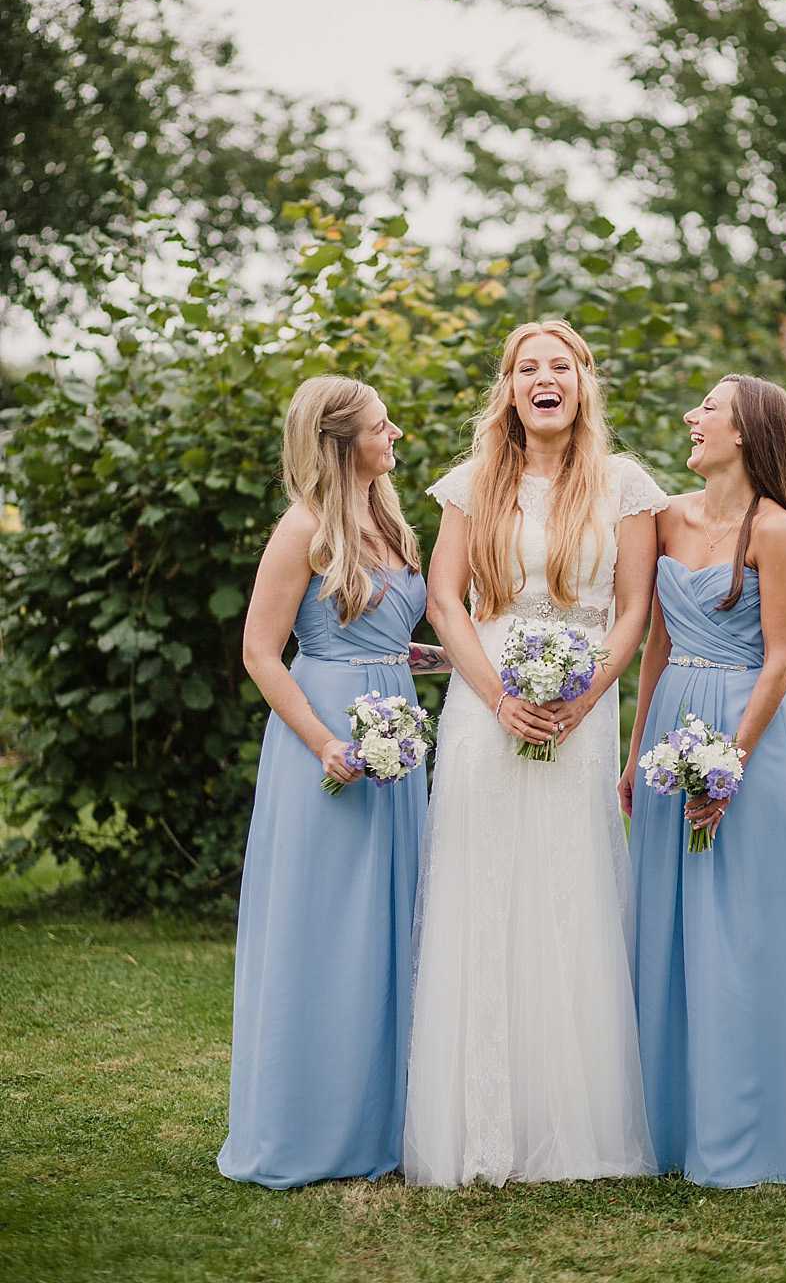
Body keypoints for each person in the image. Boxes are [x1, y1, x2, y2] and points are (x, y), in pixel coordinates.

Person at [403, 320, 667, 1188]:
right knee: (483, 891)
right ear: (509, 389)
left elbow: (633, 612)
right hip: (487, 704)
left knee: (573, 891)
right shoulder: (473, 482)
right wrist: (499, 699)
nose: (542, 378)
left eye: (559, 366)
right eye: (526, 368)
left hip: (581, 708)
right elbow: (445, 600)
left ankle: (575, 1125)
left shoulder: (627, 485)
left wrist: (583, 698)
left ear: (583, 383)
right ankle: (483, 1124)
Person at [620, 374, 786, 1189]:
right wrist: (633, 747)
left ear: (747, 431)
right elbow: (653, 642)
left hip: (749, 727)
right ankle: (666, 1125)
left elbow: (782, 659)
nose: (692, 417)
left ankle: (764, 1126)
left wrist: (730, 764)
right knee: (666, 920)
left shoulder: (777, 530)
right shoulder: (664, 518)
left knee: (747, 923)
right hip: (668, 727)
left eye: (708, 409)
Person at [218, 375, 446, 1189]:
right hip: (327, 739)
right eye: (384, 427)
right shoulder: (304, 528)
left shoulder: (388, 516)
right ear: (343, 442)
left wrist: (427, 658)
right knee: (329, 930)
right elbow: (259, 651)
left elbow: (379, 626)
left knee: (395, 921)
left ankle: (382, 1119)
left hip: (398, 732)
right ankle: (309, 1126)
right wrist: (320, 741)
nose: (397, 438)